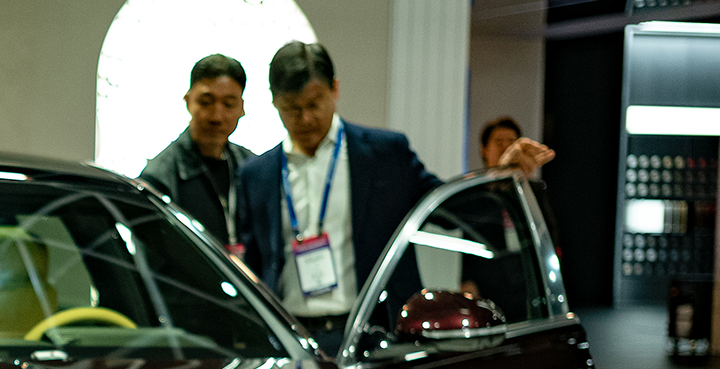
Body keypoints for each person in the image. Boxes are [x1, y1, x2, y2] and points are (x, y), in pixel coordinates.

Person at [236, 42, 554, 353]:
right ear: (275, 102)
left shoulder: (385, 155)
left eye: (314, 103)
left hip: (373, 337)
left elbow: (449, 211)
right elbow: (254, 268)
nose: (305, 119)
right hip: (291, 341)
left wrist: (498, 177)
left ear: (334, 89)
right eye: (292, 108)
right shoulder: (256, 175)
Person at [138, 53, 256, 255]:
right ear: (188, 101)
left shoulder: (251, 167)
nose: (217, 116)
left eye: (228, 104)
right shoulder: (160, 177)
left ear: (242, 107)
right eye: (206, 102)